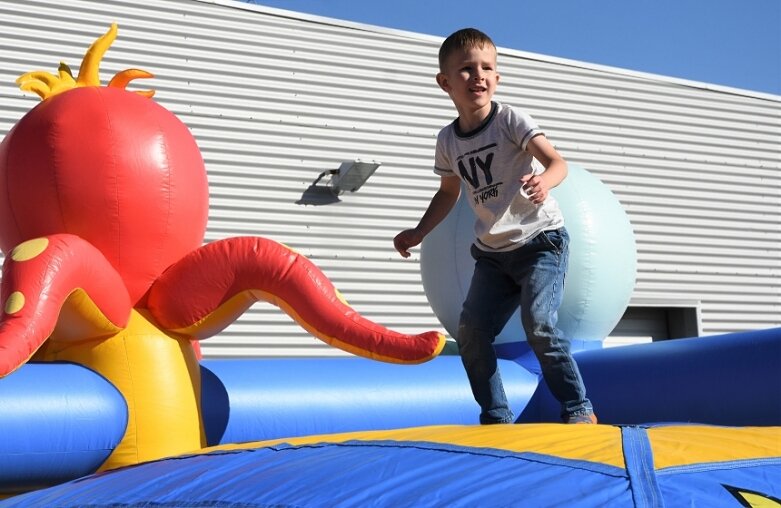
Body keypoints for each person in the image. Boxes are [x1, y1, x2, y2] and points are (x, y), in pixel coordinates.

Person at [394, 28, 596, 425]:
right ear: (445, 82)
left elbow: (558, 162)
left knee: (539, 326)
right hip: (492, 256)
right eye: (466, 70)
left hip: (541, 242)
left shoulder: (509, 120)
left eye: (487, 68)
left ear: (498, 78)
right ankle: (496, 415)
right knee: (471, 333)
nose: (479, 76)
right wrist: (418, 232)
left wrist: (544, 181)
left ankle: (579, 408)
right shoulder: (447, 141)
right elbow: (447, 193)